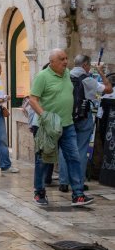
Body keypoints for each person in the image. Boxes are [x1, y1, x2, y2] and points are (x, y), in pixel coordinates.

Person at [29, 49, 94, 206]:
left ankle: (78, 195)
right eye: (61, 59)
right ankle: (39, 192)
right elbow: (33, 100)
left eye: (66, 58)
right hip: (47, 126)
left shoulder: (67, 74)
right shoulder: (42, 76)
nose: (65, 61)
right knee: (43, 160)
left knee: (74, 158)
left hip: (67, 124)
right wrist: (45, 117)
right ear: (52, 62)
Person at [58, 54, 113, 192]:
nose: (89, 69)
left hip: (66, 117)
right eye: (88, 66)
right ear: (85, 65)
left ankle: (63, 182)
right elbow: (109, 89)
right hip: (83, 117)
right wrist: (100, 71)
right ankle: (78, 182)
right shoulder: (87, 79)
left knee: (64, 149)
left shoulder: (64, 76)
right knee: (81, 150)